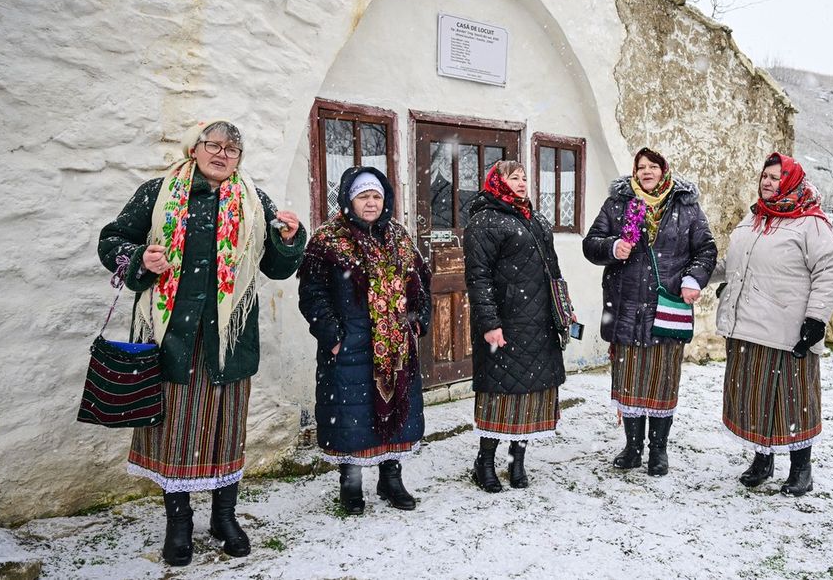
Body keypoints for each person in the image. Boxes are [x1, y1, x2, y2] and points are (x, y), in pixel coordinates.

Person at [97, 121, 305, 566]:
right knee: (174, 433)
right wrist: (140, 259)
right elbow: (111, 241)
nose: (222, 154)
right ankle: (179, 523)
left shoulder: (253, 202)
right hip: (171, 335)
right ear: (195, 149)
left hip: (228, 341)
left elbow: (277, 268)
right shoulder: (158, 193)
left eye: (232, 149)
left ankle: (224, 517)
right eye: (214, 144)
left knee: (226, 431)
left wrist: (289, 241)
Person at [297, 167, 432, 515]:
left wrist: (416, 321)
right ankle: (351, 485)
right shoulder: (328, 240)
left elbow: (420, 281)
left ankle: (391, 479)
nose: (371, 203)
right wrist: (333, 337)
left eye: (376, 196)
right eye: (363, 196)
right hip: (350, 346)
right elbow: (312, 294)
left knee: (397, 415)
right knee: (351, 418)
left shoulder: (399, 237)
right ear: (348, 199)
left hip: (397, 349)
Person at [582, 147, 717, 476]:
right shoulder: (619, 204)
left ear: (663, 169)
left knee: (662, 382)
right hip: (626, 307)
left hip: (666, 307)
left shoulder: (686, 207)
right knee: (629, 382)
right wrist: (613, 247)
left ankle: (658, 451)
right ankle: (632, 448)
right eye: (640, 167)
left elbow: (706, 249)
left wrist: (692, 279)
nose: (645, 171)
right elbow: (591, 243)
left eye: (652, 166)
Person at [715, 153, 833, 495]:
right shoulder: (754, 217)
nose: (768, 182)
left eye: (775, 177)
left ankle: (802, 468)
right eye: (765, 176)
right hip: (748, 323)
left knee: (793, 399)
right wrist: (701, 274)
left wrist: (816, 319)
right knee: (755, 397)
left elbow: (830, 271)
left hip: (789, 331)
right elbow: (733, 262)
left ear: (791, 182)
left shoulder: (809, 222)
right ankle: (763, 460)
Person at [463, 160, 568, 492]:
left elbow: (553, 269)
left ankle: (517, 462)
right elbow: (478, 279)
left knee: (532, 395)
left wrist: (563, 309)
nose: (522, 182)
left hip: (539, 322)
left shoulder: (534, 218)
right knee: (500, 394)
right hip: (506, 323)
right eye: (513, 177)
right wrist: (490, 323)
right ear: (497, 182)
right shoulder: (484, 221)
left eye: (524, 177)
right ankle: (485, 463)